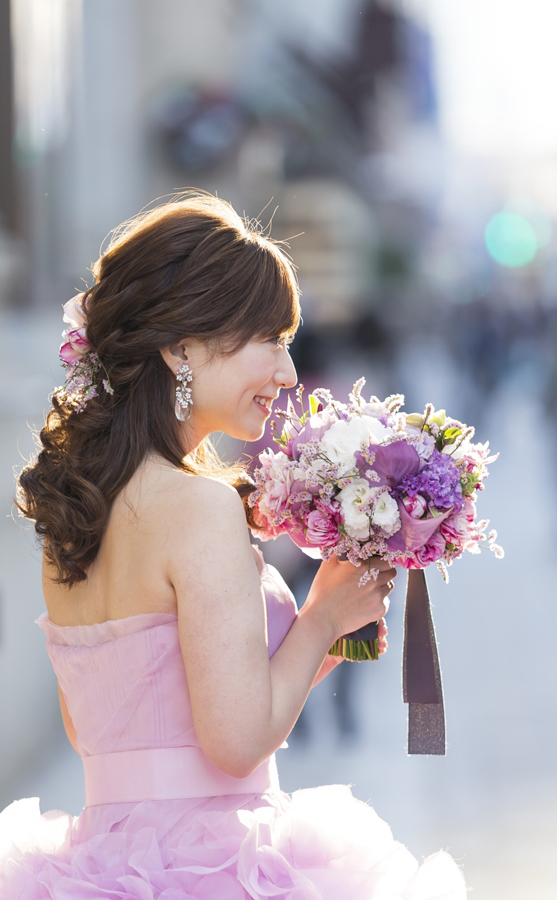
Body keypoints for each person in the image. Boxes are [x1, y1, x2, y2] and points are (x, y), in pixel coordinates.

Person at [0, 193, 466, 898]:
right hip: (212, 865)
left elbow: (102, 726)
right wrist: (320, 618)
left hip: (103, 862)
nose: (286, 373)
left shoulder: (78, 507)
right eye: (269, 340)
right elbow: (237, 742)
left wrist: (331, 626)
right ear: (179, 347)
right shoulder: (198, 506)